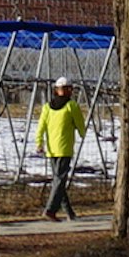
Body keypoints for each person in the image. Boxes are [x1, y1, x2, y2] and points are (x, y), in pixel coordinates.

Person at [34, 78, 87, 220]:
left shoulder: (49, 107)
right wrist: (82, 132)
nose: (67, 91)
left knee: (59, 180)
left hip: (55, 148)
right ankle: (50, 210)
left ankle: (69, 213)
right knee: (59, 180)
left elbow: (41, 127)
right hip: (62, 149)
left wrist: (39, 142)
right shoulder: (71, 106)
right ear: (57, 90)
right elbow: (80, 123)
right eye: (64, 88)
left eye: (68, 88)